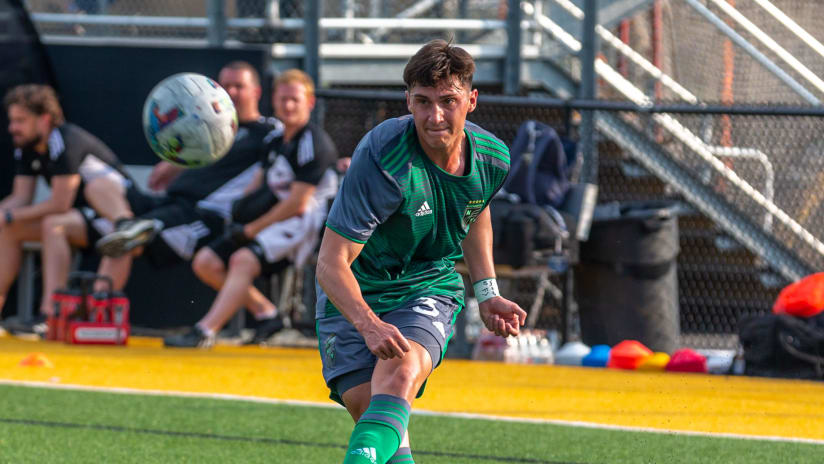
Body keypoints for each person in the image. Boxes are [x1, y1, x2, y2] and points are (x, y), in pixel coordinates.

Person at [314, 39, 527, 464]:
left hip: (426, 285)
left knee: (399, 376)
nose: (436, 117)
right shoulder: (383, 157)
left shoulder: (493, 159)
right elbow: (330, 263)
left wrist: (486, 293)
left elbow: (473, 208)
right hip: (355, 291)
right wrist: (370, 324)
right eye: (423, 102)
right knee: (371, 410)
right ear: (406, 101)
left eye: (449, 101)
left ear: (472, 100)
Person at [89, 61, 282, 343]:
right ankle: (125, 222)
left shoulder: (269, 133)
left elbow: (294, 158)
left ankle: (97, 318)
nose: (231, 91)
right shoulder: (202, 126)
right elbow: (193, 152)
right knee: (100, 179)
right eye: (224, 85)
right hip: (168, 201)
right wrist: (172, 161)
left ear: (256, 91)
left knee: (127, 241)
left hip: (203, 216)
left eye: (239, 86)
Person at [163, 69, 339, 348]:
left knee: (242, 259)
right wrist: (239, 216)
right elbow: (256, 187)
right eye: (283, 99)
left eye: (295, 99)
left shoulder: (313, 143)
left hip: (304, 224)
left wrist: (251, 230)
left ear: (310, 102)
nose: (288, 106)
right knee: (206, 262)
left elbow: (298, 204)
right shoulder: (274, 141)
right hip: (271, 220)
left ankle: (205, 331)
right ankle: (268, 314)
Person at [0, 84, 144, 325]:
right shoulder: (25, 147)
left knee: (53, 224)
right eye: (12, 120)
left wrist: (11, 215)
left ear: (44, 119)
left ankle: (50, 314)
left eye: (20, 121)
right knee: (8, 231)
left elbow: (60, 203)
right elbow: (20, 198)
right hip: (85, 218)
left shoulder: (66, 139)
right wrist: (5, 215)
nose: (13, 128)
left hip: (119, 216)